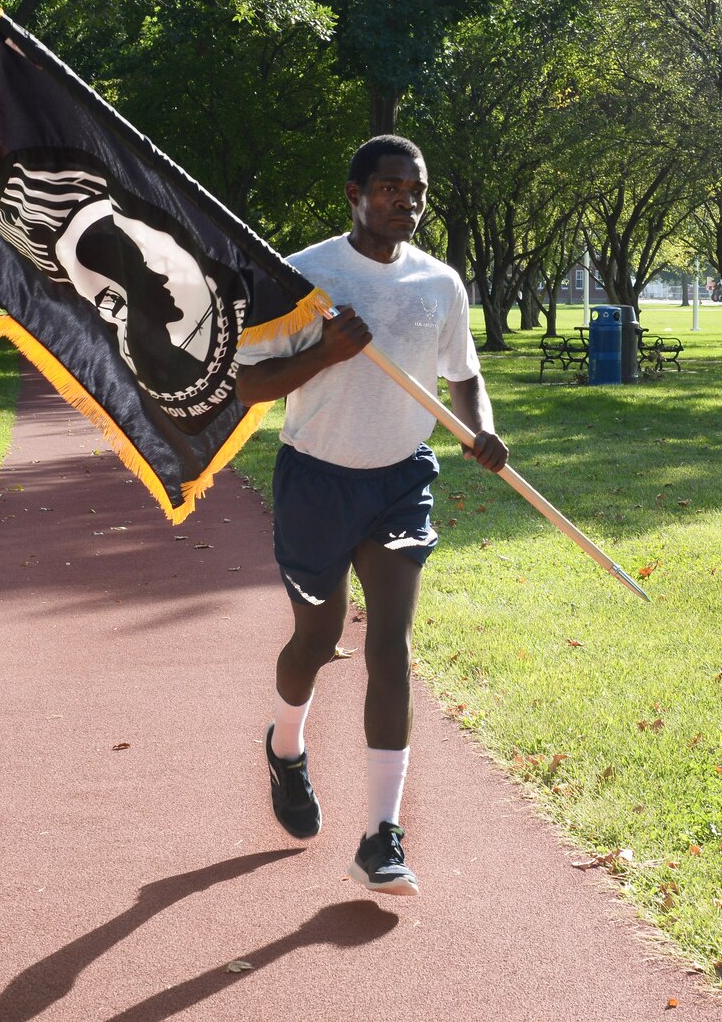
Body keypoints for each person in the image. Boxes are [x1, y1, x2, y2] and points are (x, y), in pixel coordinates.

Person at [234, 134, 507, 897]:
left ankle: (381, 834)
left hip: (400, 480)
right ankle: (286, 747)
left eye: (416, 190)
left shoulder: (440, 284)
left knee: (390, 643)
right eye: (390, 187)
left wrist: (478, 427)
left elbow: (466, 375)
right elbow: (249, 388)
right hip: (316, 481)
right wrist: (324, 351)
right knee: (316, 641)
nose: (406, 201)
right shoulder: (306, 276)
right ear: (354, 193)